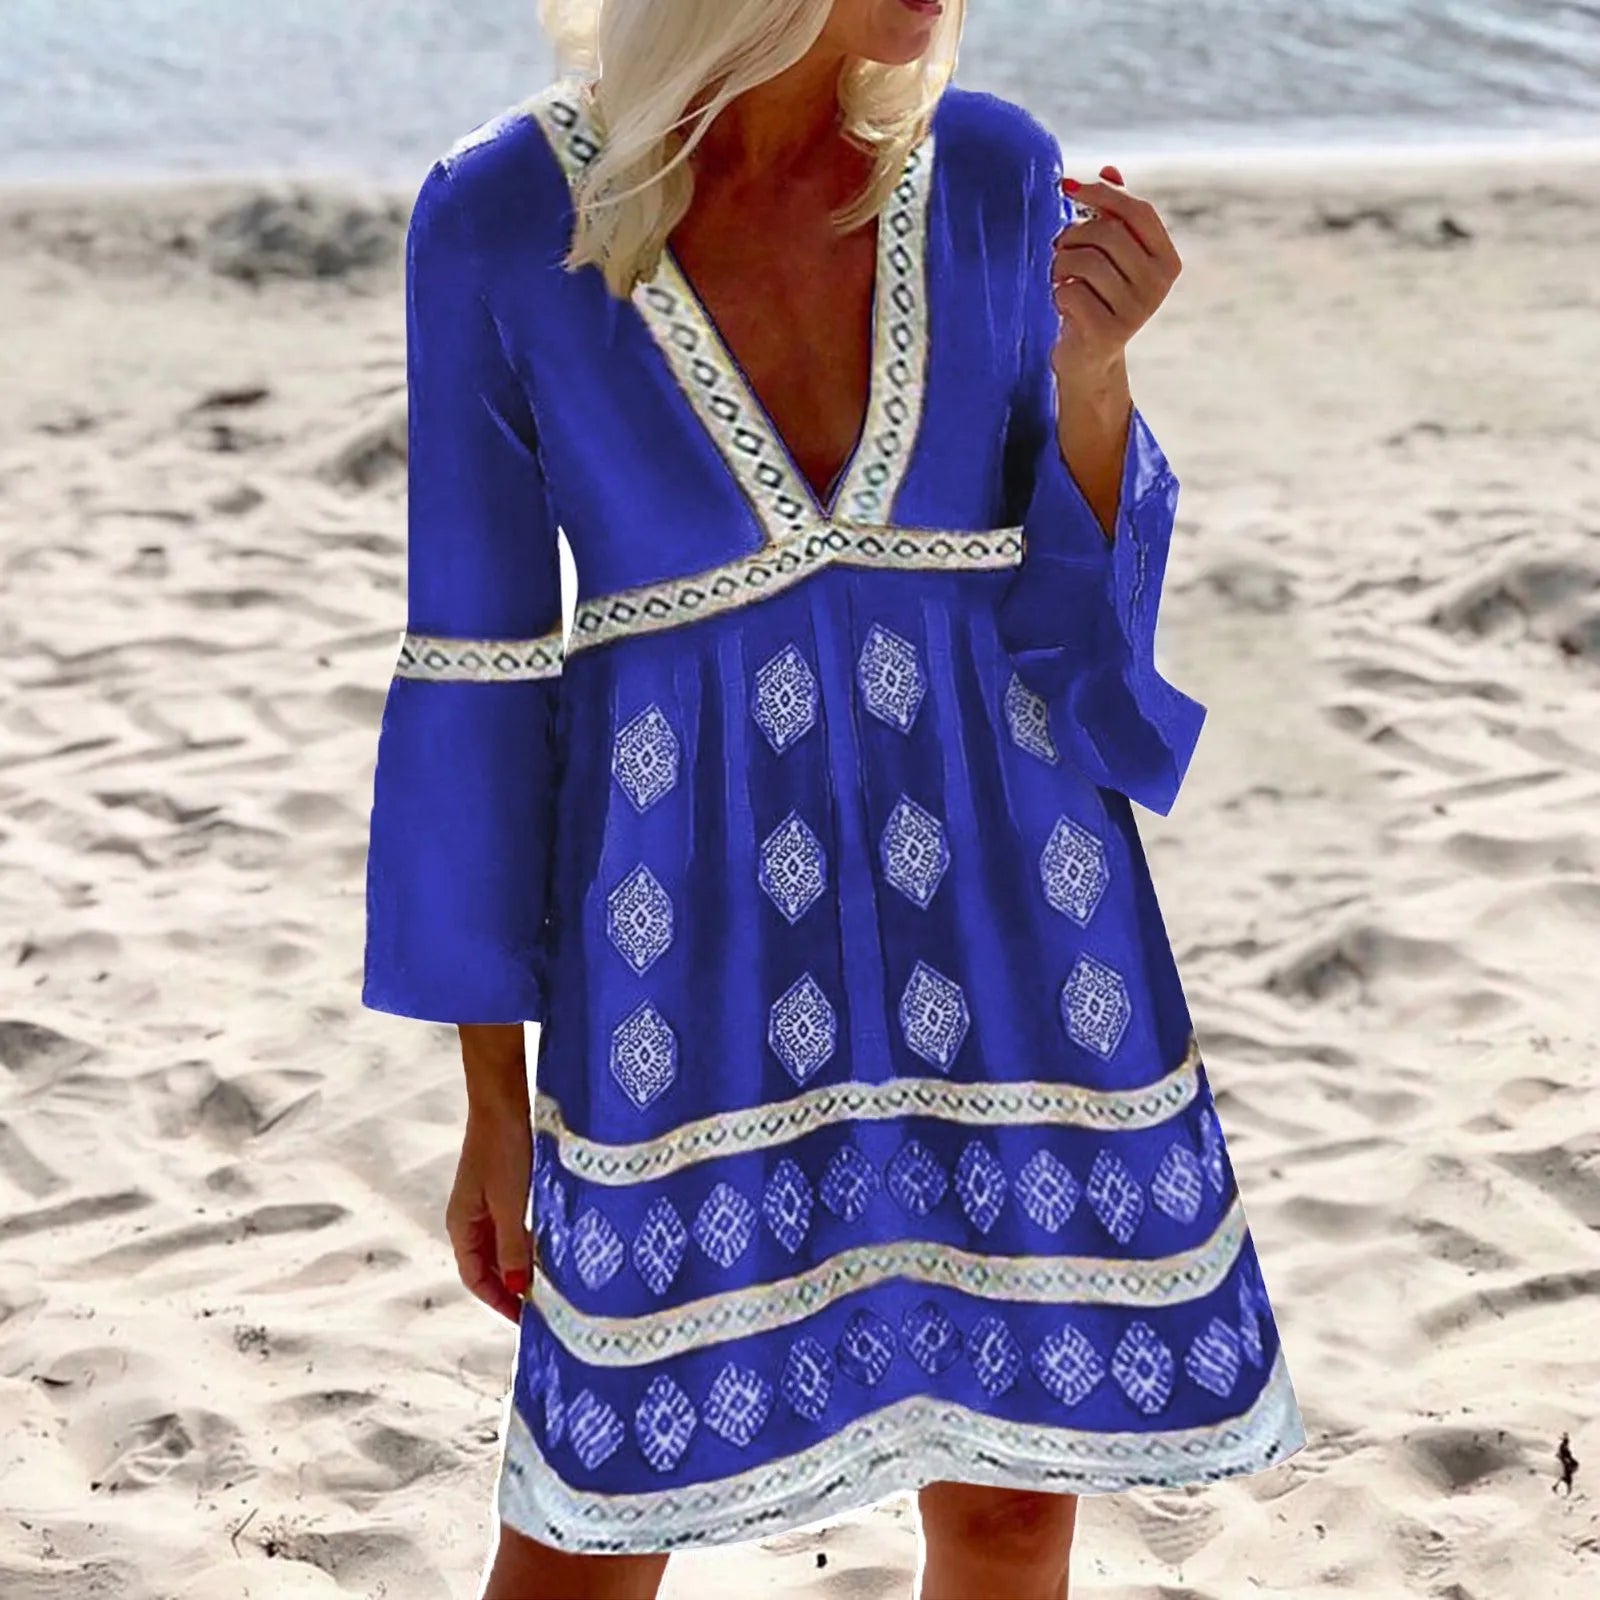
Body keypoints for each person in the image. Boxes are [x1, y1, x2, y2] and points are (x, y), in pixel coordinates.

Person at [361, 1, 1307, 1595]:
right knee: (596, 1528)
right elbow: (477, 669)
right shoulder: (502, 214)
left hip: (1010, 932)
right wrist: (491, 1098)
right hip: (682, 952)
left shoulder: (993, 173)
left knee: (1012, 1506)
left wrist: (1093, 383)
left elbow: (1073, 625)